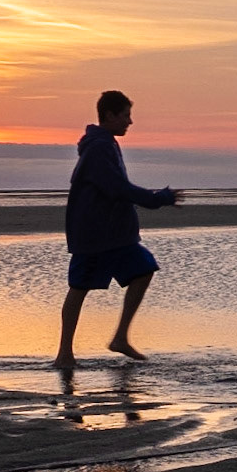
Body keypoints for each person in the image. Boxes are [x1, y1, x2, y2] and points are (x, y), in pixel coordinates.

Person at [54, 90, 182, 371]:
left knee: (144, 269)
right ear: (110, 115)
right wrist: (157, 198)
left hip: (115, 234)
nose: (130, 122)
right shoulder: (98, 147)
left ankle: (120, 337)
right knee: (79, 287)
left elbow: (116, 188)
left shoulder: (106, 144)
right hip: (95, 234)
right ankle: (64, 353)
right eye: (126, 115)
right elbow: (117, 188)